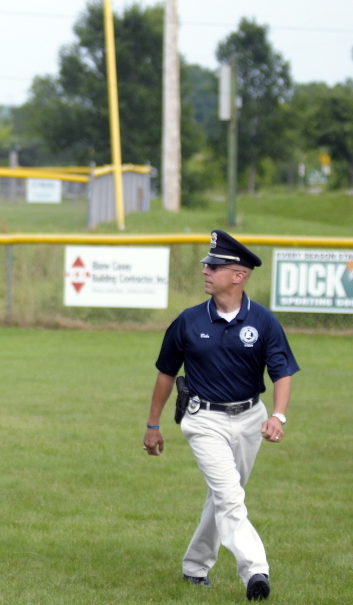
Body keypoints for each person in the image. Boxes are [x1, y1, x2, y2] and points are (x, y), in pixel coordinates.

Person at [143, 230, 299, 602]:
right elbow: (166, 373)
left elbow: (282, 373)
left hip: (249, 418)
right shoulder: (188, 320)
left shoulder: (262, 321)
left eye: (214, 265)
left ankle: (194, 568)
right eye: (206, 264)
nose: (206, 271)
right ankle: (256, 571)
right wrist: (153, 424)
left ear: (239, 276)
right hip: (203, 420)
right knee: (230, 497)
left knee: (225, 496)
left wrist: (278, 416)